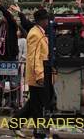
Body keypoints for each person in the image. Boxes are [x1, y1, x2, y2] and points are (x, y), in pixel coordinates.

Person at [10, 9, 55, 139]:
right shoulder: (35, 34)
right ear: (41, 21)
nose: (48, 21)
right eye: (47, 19)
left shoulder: (40, 33)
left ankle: (15, 123)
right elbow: (33, 57)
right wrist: (40, 75)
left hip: (43, 76)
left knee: (35, 104)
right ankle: (39, 133)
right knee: (39, 107)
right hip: (38, 77)